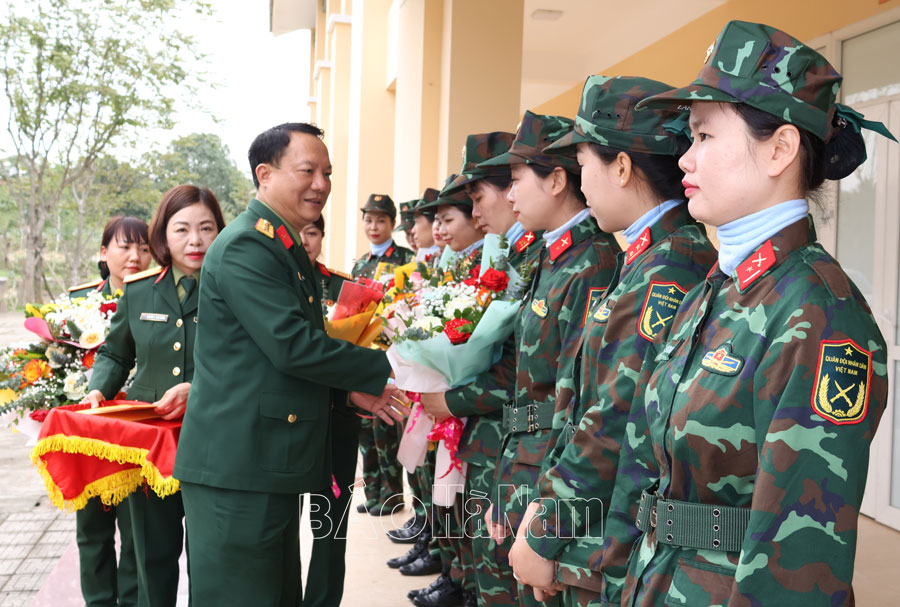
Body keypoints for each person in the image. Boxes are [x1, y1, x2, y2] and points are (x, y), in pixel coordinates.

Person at [611, 21, 892, 607]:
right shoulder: (717, 288)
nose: (684, 159)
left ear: (780, 148)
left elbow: (799, 562)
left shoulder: (819, 314)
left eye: (705, 136)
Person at [172, 122, 408, 606]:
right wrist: (391, 366)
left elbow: (272, 361)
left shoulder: (281, 244)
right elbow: (291, 345)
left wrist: (346, 390)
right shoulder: (246, 246)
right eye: (307, 170)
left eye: (327, 172)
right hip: (238, 467)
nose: (321, 184)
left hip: (264, 464)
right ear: (265, 173)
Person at [506, 76, 718, 607]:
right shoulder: (647, 257)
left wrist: (544, 528)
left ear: (621, 167)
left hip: (609, 542)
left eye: (583, 165)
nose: (582, 183)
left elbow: (613, 416)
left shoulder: (667, 268)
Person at [478, 111, 621, 607]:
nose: (509, 194)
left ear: (558, 179)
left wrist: (536, 497)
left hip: (547, 476)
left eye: (516, 180)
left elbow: (580, 406)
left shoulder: (594, 264)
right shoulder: (554, 257)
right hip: (524, 461)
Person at [418, 130, 544, 607]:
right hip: (496, 441)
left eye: (478, 198)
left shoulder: (562, 262)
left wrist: (450, 399)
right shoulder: (515, 259)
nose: (475, 214)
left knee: (500, 571)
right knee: (484, 562)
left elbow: (525, 373)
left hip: (517, 446)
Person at [85, 186, 225, 607]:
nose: (195, 241)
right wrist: (98, 388)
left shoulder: (234, 288)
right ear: (163, 236)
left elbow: (249, 363)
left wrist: (198, 388)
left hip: (214, 440)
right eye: (181, 229)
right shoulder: (140, 288)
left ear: (221, 232)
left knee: (209, 556)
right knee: (150, 553)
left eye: (206, 228)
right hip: (148, 443)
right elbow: (115, 350)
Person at [68, 215, 151, 607]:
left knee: (138, 531)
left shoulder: (156, 296)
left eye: (144, 247)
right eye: (124, 246)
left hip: (137, 434)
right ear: (104, 253)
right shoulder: (75, 305)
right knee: (92, 528)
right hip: (90, 433)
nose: (135, 256)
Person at [298, 215, 360, 607]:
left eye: (313, 232)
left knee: (330, 527)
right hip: (286, 424)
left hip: (337, 421)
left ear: (322, 236)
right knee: (281, 527)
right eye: (299, 231)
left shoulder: (345, 289)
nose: (306, 240)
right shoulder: (273, 282)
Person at [352, 193, 414, 516]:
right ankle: (373, 490)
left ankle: (392, 495)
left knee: (387, 426)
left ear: (392, 224)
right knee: (366, 427)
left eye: (380, 220)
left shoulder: (405, 259)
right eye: (368, 219)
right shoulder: (360, 263)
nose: (373, 226)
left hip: (392, 354)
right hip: (365, 351)